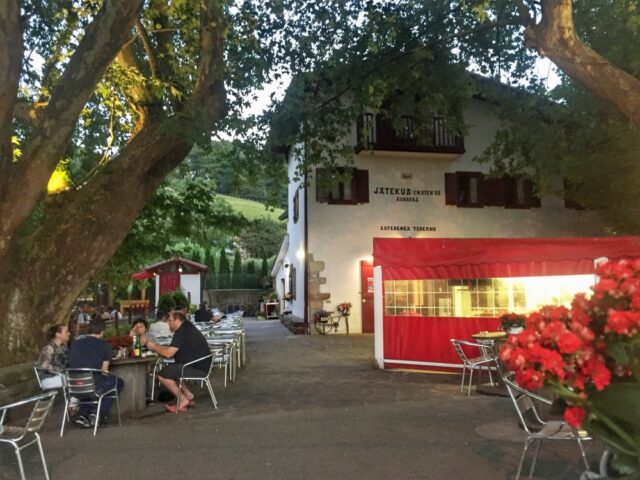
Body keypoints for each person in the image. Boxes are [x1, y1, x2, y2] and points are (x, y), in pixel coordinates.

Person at [142, 310, 211, 413]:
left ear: (177, 321)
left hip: (196, 368)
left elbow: (168, 354)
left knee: (162, 374)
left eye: (170, 321)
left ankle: (183, 400)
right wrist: (159, 349)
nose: (168, 323)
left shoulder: (181, 332)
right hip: (200, 365)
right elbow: (171, 350)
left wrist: (152, 346)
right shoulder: (187, 327)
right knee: (173, 370)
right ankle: (188, 395)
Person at [69, 319, 124, 428]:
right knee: (117, 382)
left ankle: (83, 415)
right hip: (93, 386)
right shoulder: (105, 345)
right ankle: (98, 413)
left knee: (90, 386)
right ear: (102, 332)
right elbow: (104, 371)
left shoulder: (74, 344)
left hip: (74, 386)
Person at [36, 325, 70, 389]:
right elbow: (45, 366)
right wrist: (62, 371)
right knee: (74, 380)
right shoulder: (49, 348)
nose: (69, 333)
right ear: (58, 334)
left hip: (61, 377)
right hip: (49, 378)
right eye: (66, 332)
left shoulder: (63, 347)